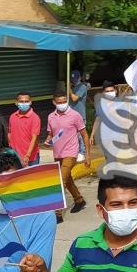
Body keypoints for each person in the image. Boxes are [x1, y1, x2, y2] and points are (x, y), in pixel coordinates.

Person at [46, 90, 91, 220]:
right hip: (57, 153)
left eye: (64, 101)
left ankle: (57, 214)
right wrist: (48, 140)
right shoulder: (51, 116)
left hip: (71, 153)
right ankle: (79, 200)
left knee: (61, 182)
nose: (62, 104)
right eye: (59, 102)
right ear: (54, 102)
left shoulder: (75, 115)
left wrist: (87, 155)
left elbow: (84, 134)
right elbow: (51, 133)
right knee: (67, 179)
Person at [8, 92, 41, 167]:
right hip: (15, 157)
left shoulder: (35, 118)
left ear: (30, 102)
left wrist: (27, 155)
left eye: (26, 101)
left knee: (32, 178)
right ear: (16, 102)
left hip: (31, 158)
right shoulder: (12, 116)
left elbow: (34, 138)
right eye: (21, 101)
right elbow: (10, 134)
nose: (24, 103)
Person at [89, 81, 117, 147]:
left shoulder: (121, 104)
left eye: (111, 90)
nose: (110, 93)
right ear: (103, 93)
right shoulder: (100, 105)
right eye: (107, 91)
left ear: (115, 91)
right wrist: (92, 135)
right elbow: (97, 120)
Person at [68, 70, 88, 160]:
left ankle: (82, 153)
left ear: (79, 77)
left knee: (81, 136)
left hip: (80, 115)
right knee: (73, 135)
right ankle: (76, 151)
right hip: (72, 115)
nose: (74, 80)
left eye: (75, 78)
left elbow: (74, 98)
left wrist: (69, 88)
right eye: (72, 79)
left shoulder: (82, 87)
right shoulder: (73, 87)